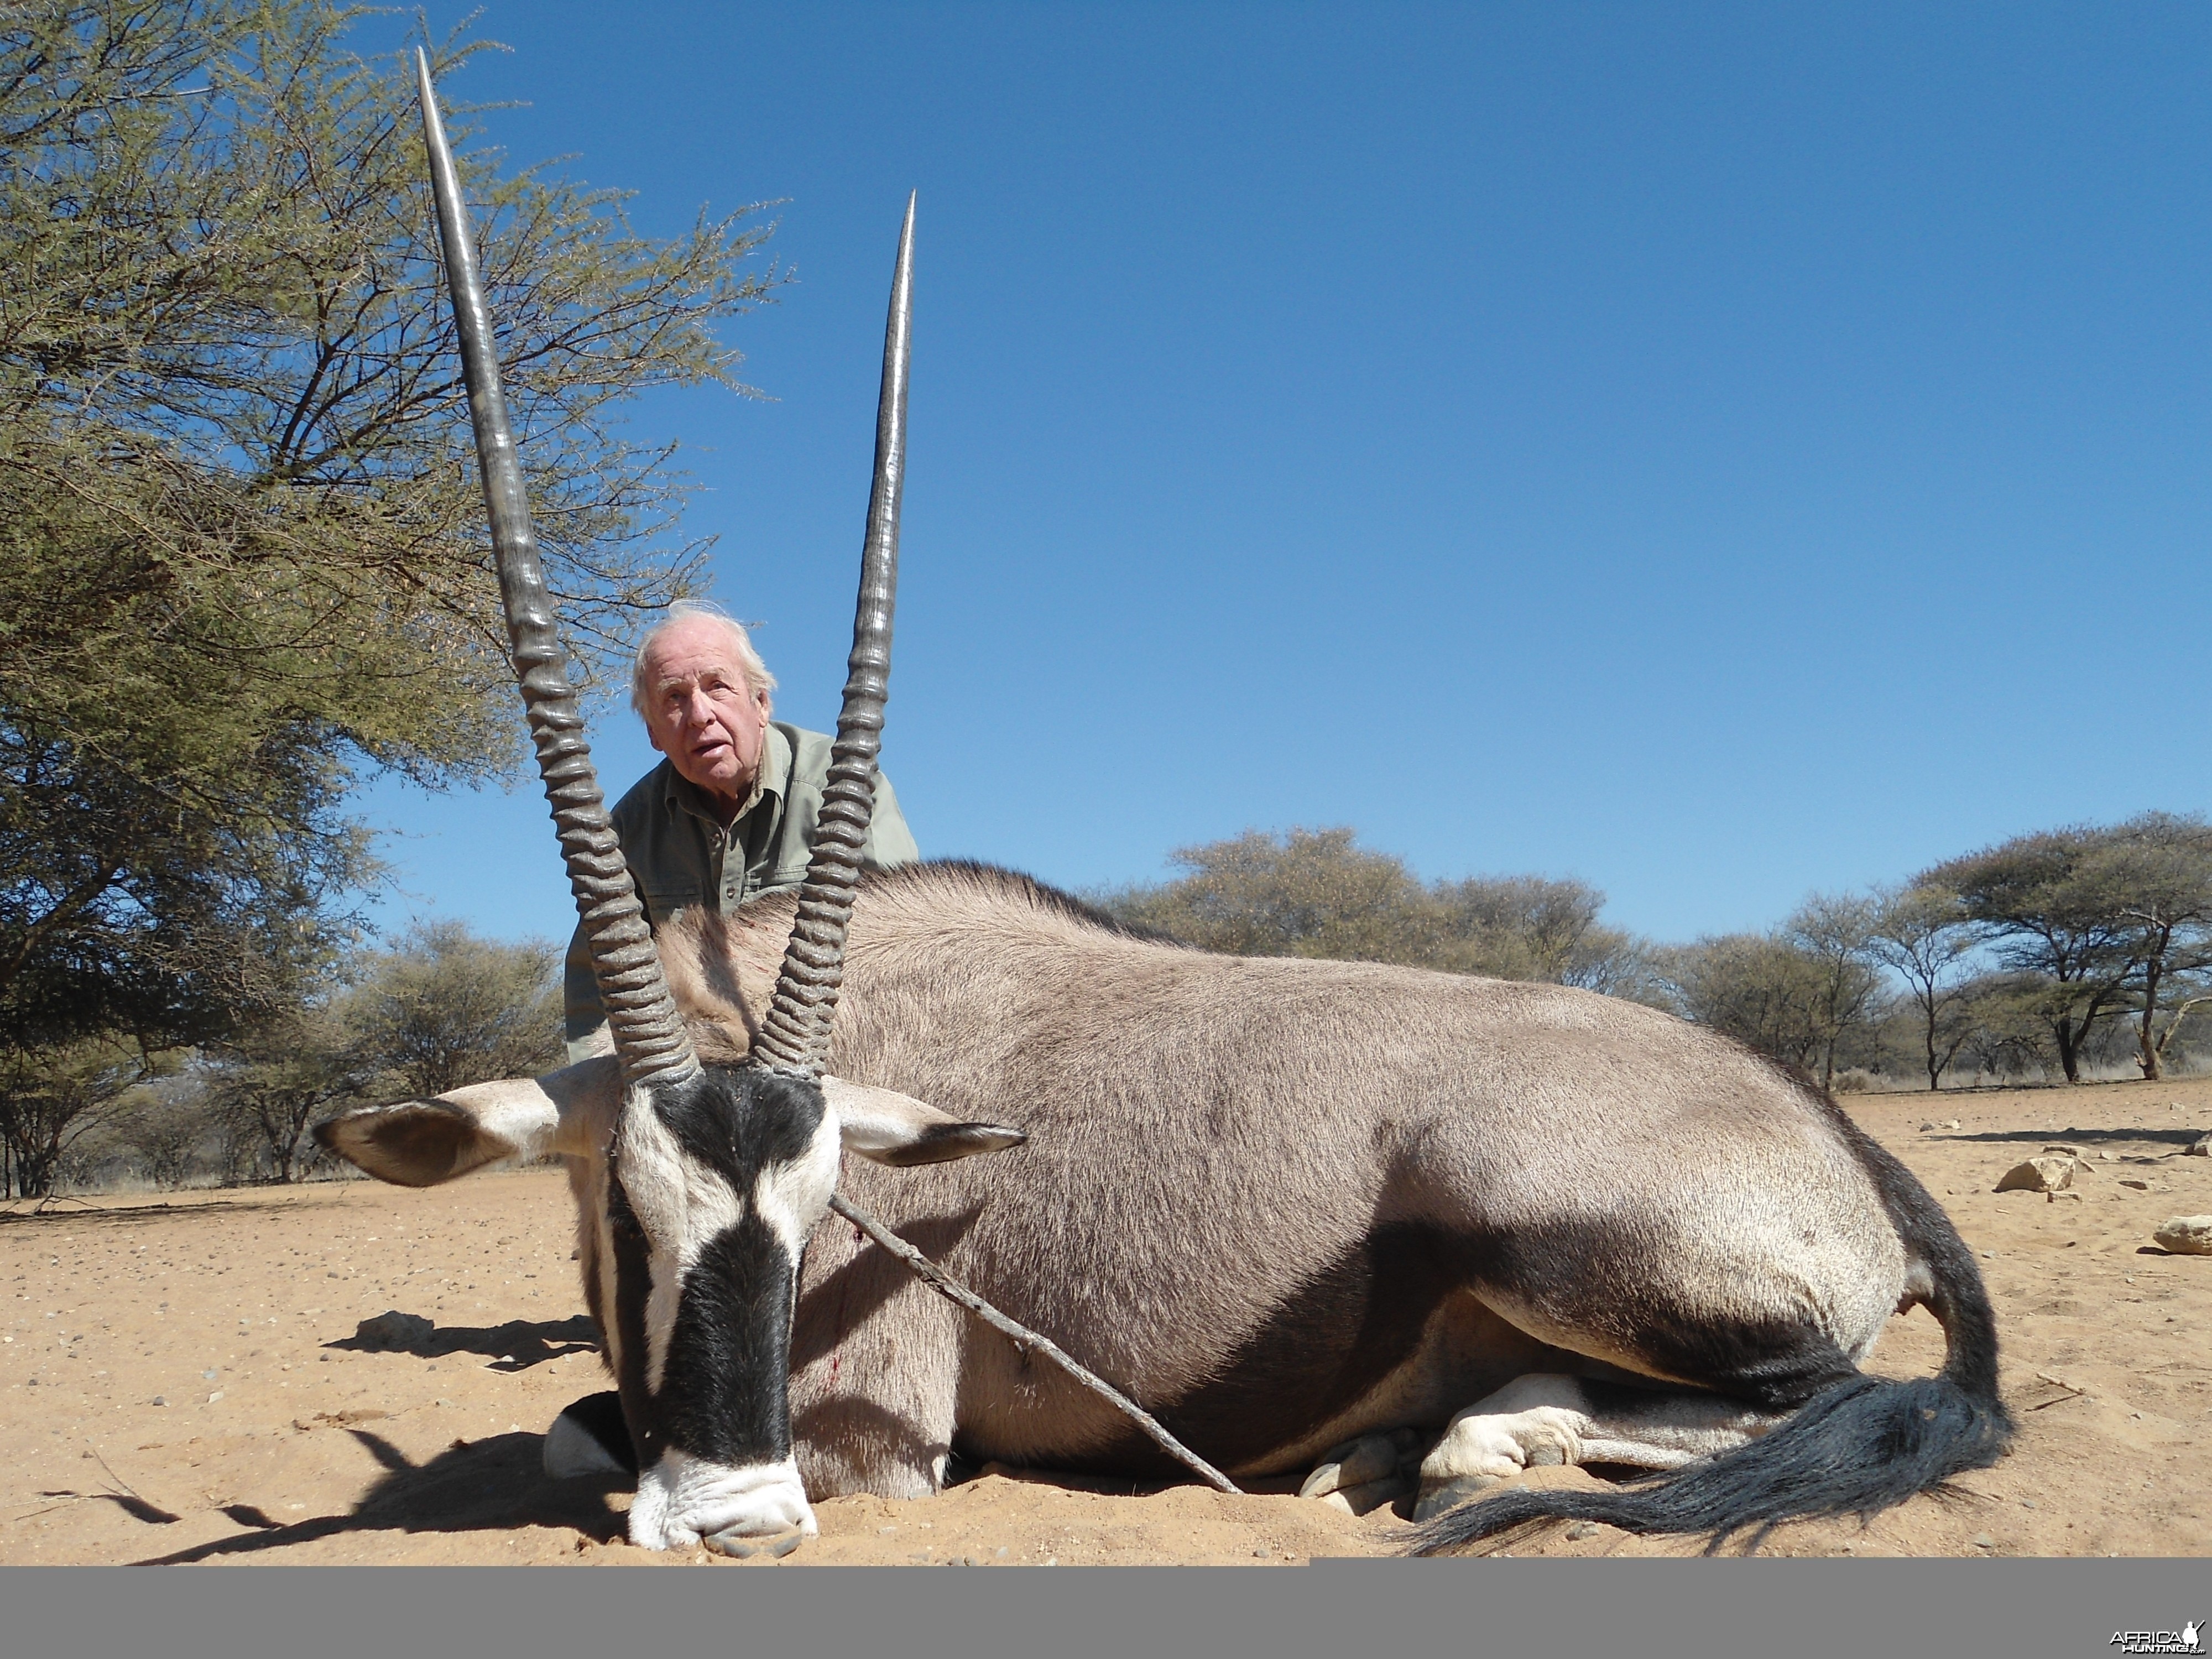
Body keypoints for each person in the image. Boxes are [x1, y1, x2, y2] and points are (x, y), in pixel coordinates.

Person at [563, 601, 920, 1061]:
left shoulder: (844, 785)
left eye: (718, 687)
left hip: (836, 1055)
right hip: (699, 1080)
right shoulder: (631, 826)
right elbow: (598, 980)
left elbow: (909, 950)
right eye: (674, 698)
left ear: (761, 703)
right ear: (653, 732)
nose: (699, 715)